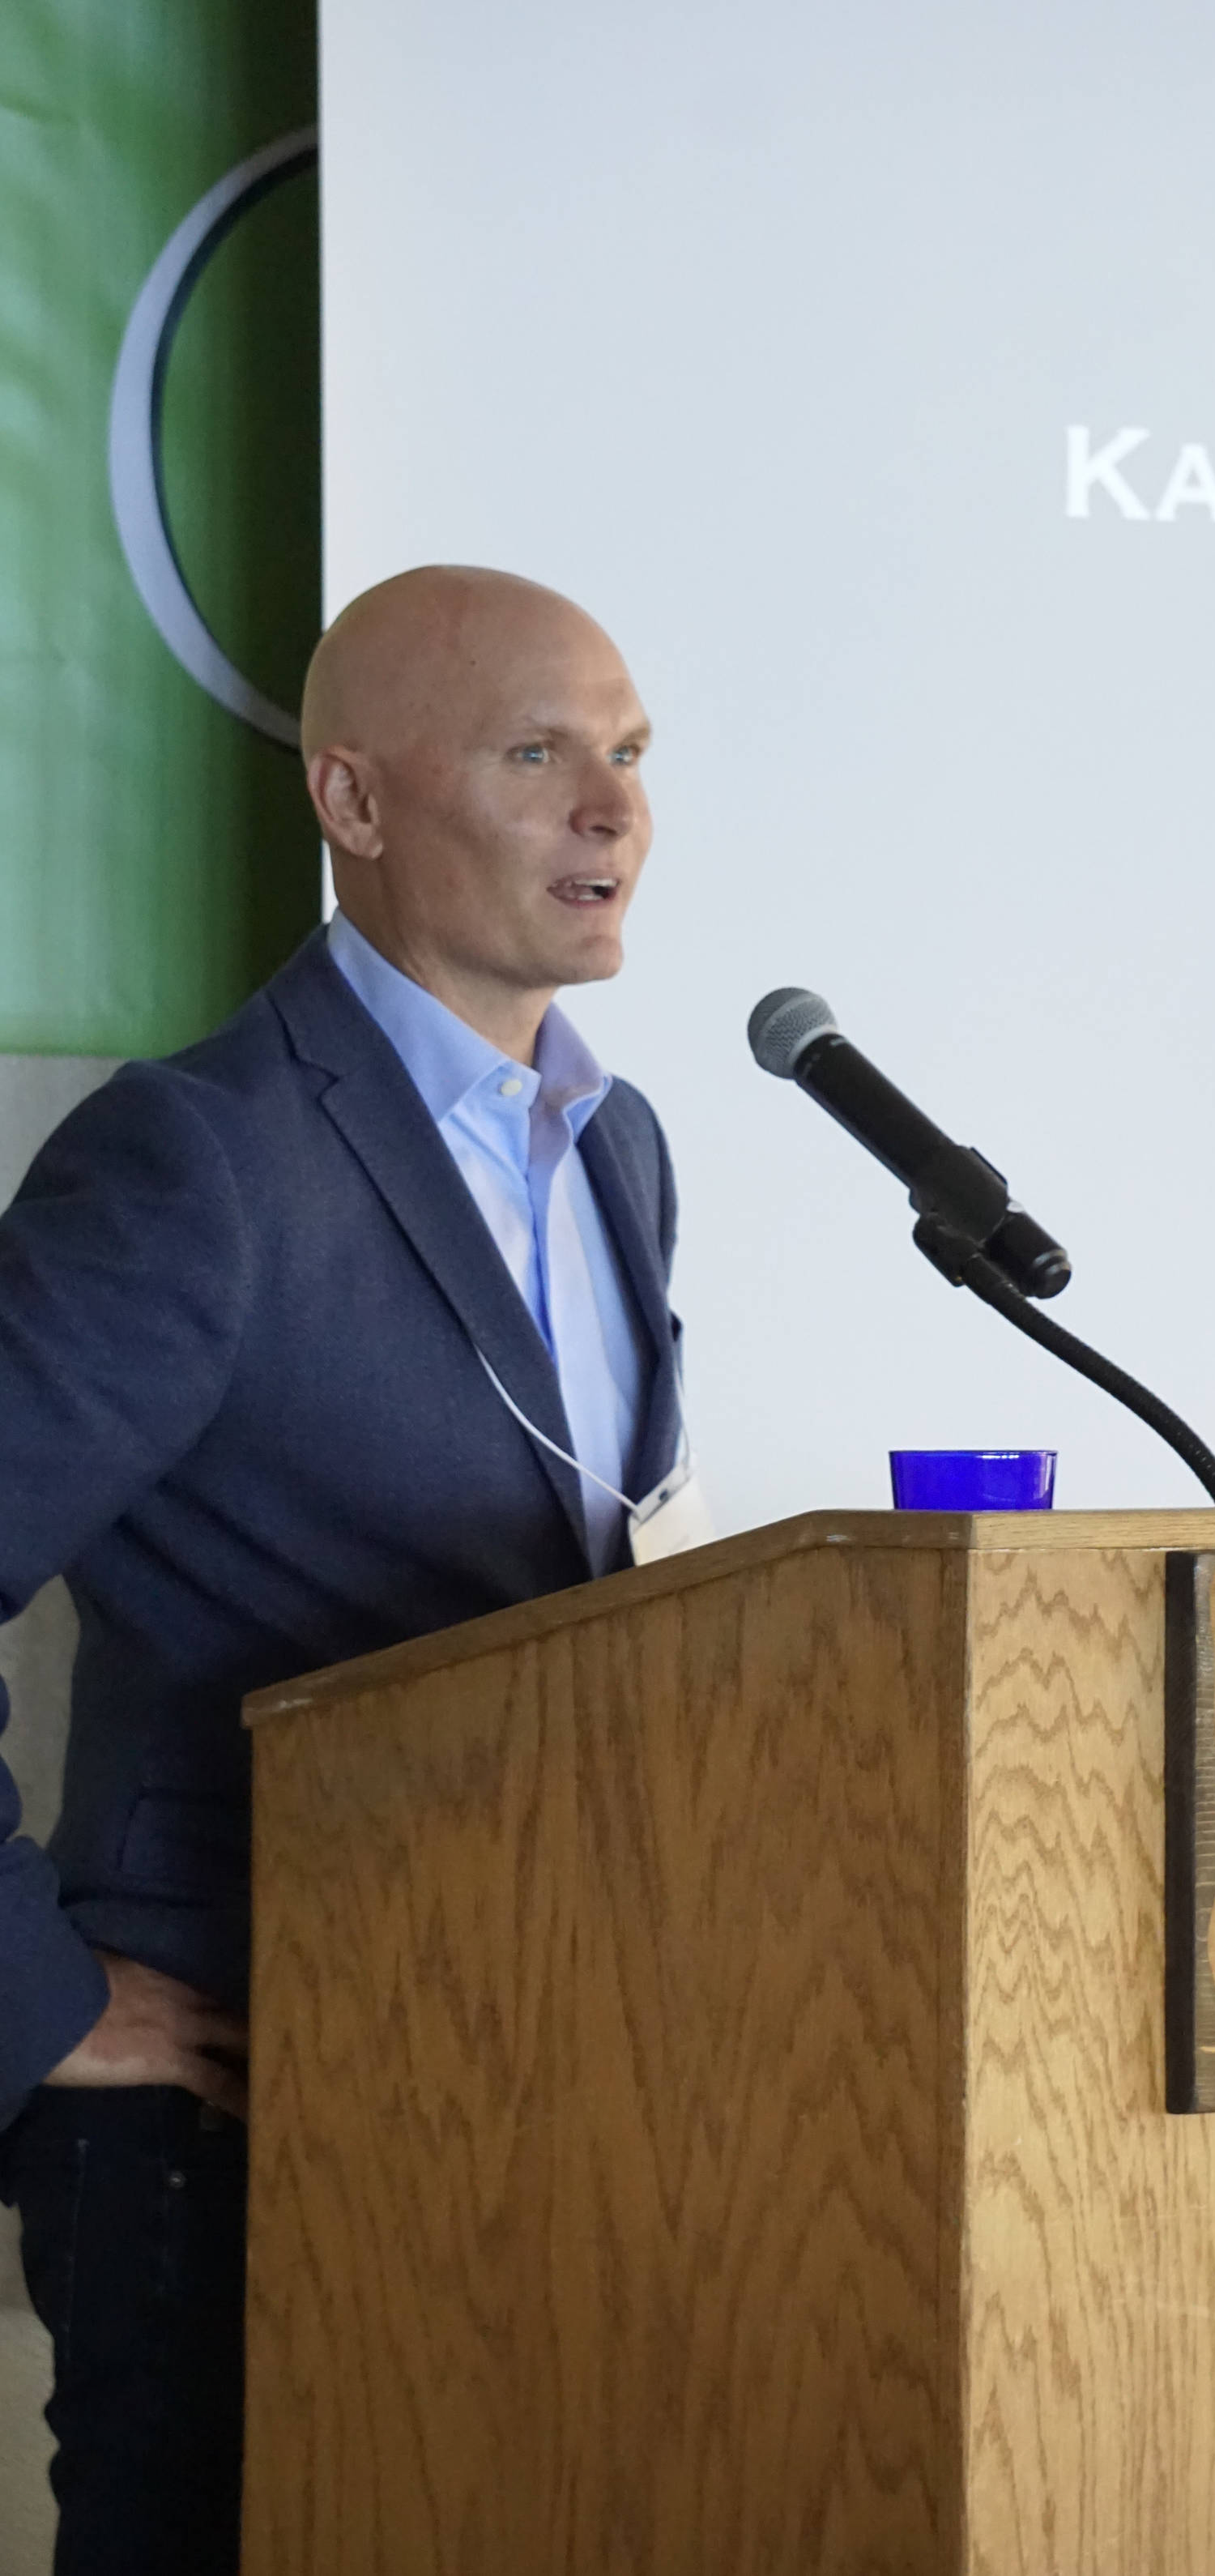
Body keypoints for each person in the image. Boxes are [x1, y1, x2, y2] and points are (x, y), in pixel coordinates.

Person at [0, 566, 680, 2574]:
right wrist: (29, 1996)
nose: (613, 811)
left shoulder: (617, 1145)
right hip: (237, 2099)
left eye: (632, 755)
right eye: (538, 752)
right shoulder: (194, 1160)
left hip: (526, 2059)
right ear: (357, 804)